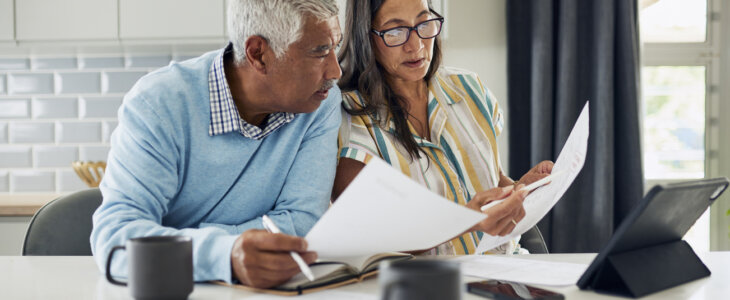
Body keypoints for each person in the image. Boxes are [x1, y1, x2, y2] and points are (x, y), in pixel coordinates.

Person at [91, 0, 342, 289]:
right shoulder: (158, 104)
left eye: (335, 47)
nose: (335, 72)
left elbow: (301, 226)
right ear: (258, 54)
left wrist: (171, 240)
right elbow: (116, 240)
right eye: (320, 51)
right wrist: (227, 254)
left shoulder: (320, 104)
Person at [333, 0, 553, 255]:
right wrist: (466, 220)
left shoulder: (470, 88)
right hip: (429, 286)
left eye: (424, 24)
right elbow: (373, 236)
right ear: (365, 37)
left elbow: (494, 179)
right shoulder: (349, 119)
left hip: (508, 272)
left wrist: (520, 190)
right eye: (395, 32)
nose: (416, 46)